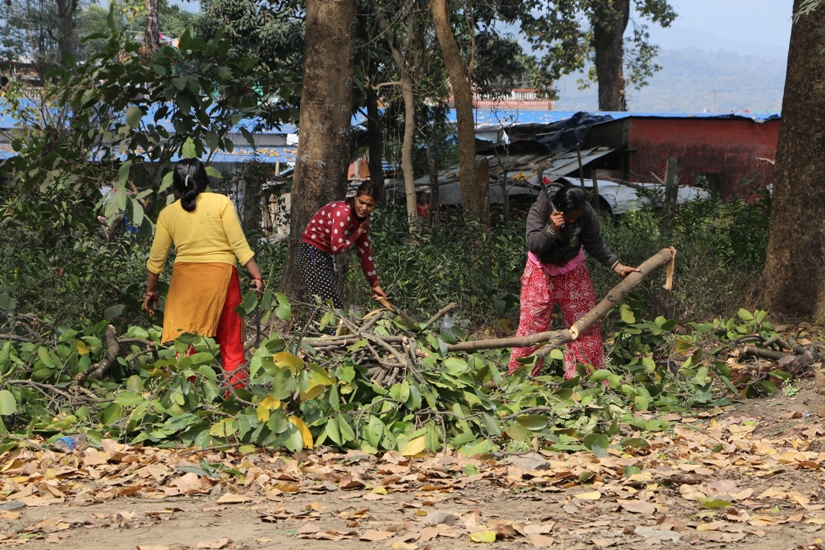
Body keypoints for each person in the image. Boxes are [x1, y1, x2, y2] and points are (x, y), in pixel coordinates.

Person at [144, 159, 263, 390]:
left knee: (187, 348)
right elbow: (239, 244)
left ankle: (190, 406)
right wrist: (256, 277)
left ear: (176, 186)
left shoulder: (168, 214)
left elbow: (156, 260)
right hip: (223, 279)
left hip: (185, 285)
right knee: (231, 347)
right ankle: (236, 407)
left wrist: (150, 290)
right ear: (204, 182)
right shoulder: (221, 203)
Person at [509, 183, 639, 378]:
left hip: (573, 271)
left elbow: (594, 244)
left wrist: (618, 266)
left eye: (575, 219)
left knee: (584, 326)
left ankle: (586, 380)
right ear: (558, 209)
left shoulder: (585, 211)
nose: (572, 222)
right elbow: (534, 244)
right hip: (540, 272)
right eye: (569, 218)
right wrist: (551, 229)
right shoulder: (541, 208)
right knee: (531, 329)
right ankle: (519, 380)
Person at [299, 181, 387, 310]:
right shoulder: (343, 213)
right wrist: (358, 231)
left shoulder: (362, 221)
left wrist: (374, 284)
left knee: (329, 300)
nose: (364, 208)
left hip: (323, 254)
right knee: (326, 302)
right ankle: (320, 328)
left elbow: (365, 253)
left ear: (375, 205)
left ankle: (323, 328)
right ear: (355, 197)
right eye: (361, 202)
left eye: (369, 205)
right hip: (311, 250)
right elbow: (337, 248)